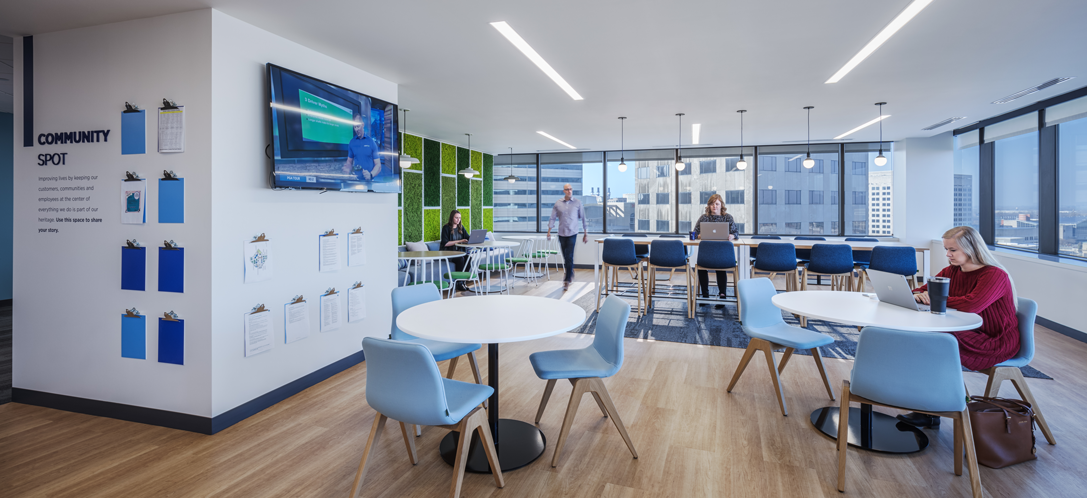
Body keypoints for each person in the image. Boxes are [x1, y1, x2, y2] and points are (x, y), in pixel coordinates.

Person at [897, 225, 1021, 428]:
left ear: (972, 248)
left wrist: (935, 298)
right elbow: (923, 289)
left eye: (953, 250)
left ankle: (932, 410)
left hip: (993, 340)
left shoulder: (994, 275)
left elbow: (972, 304)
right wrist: (918, 294)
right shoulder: (951, 271)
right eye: (946, 249)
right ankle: (929, 408)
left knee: (935, 341)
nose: (947, 254)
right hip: (968, 331)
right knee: (928, 339)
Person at [694, 194, 738, 306]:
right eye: (712, 204)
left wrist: (732, 236)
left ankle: (722, 294)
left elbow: (736, 233)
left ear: (721, 205)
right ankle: (705, 294)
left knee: (720, 266)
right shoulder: (703, 218)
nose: (714, 206)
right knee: (701, 266)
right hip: (707, 253)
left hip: (721, 253)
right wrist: (698, 235)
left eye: (717, 204)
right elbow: (694, 233)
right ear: (708, 206)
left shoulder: (728, 217)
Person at [546, 184, 588, 291]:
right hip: (561, 233)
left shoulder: (577, 203)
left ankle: (567, 279)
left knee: (569, 256)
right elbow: (552, 218)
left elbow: (583, 218)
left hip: (572, 233)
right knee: (565, 256)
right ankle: (571, 271)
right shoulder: (558, 203)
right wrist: (549, 231)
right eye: (567, 189)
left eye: (570, 189)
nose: (569, 191)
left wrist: (585, 233)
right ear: (564, 191)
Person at [341, 112, 382, 182]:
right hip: (356, 180)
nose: (356, 129)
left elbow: (378, 165)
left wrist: (371, 175)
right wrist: (348, 167)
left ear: (362, 125)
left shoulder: (371, 142)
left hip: (369, 180)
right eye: (355, 127)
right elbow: (349, 161)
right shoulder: (351, 142)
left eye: (358, 126)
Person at [440, 210, 472, 290]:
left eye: (459, 218)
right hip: (449, 254)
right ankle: (459, 283)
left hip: (460, 253)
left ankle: (462, 281)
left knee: (469, 258)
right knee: (460, 259)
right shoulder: (446, 228)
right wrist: (460, 241)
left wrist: (473, 238)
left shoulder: (460, 227)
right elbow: (445, 243)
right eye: (456, 218)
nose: (458, 220)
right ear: (452, 218)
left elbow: (468, 237)